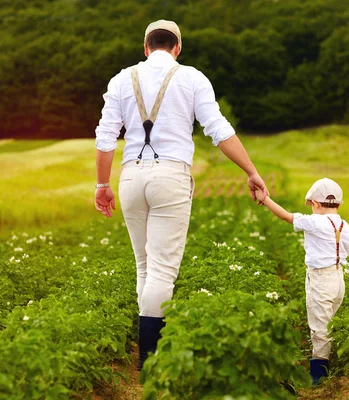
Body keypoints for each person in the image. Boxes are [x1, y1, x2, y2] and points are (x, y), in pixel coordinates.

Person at [94, 19, 269, 370]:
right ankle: (151, 362)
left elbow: (105, 136)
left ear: (146, 48)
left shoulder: (121, 79)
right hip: (170, 176)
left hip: (130, 177)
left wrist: (102, 185)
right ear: (177, 48)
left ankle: (146, 359)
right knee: (161, 271)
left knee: (144, 266)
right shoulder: (191, 78)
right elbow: (218, 130)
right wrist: (251, 171)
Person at [255, 178, 349, 384]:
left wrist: (265, 199)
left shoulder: (315, 221)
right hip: (338, 277)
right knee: (329, 321)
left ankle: (318, 373)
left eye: (312, 205)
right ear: (339, 204)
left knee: (319, 326)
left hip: (320, 279)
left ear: (316, 204)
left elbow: (286, 216)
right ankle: (328, 360)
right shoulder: (344, 224)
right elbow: (346, 249)